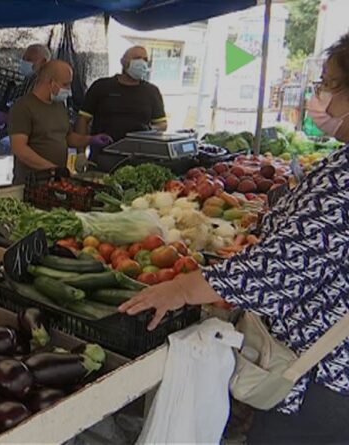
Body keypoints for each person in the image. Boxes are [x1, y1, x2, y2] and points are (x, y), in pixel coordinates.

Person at [118, 35, 349, 444]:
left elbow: (279, 270)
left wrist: (182, 289)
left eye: (330, 84)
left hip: (323, 377)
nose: (321, 96)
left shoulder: (343, 180)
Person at [7, 60, 110, 184]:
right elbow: (19, 148)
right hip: (31, 183)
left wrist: (90, 140)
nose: (69, 90)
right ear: (51, 82)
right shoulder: (23, 107)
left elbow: (67, 137)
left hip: (56, 181)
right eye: (65, 84)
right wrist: (52, 168)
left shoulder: (59, 105)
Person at [75, 46, 167, 161]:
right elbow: (83, 119)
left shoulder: (152, 91)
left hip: (139, 159)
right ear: (123, 62)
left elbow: (162, 124)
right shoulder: (101, 86)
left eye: (145, 59)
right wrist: (80, 153)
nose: (142, 63)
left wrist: (148, 130)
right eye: (137, 58)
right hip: (103, 156)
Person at [0, 43, 52, 131]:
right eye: (23, 59)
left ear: (43, 62)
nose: (24, 63)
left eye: (29, 60)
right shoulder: (31, 80)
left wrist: (5, 118)